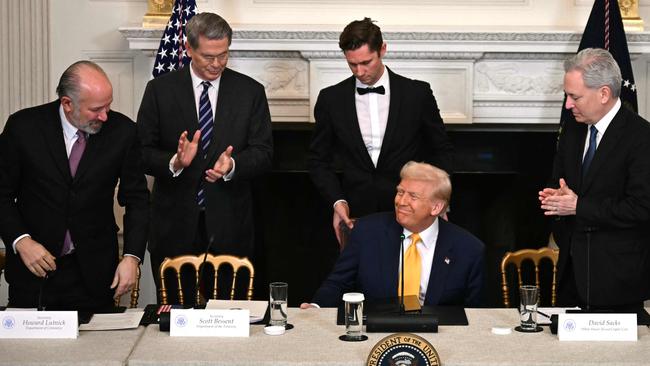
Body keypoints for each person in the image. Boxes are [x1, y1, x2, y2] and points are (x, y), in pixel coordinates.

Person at [137, 12, 273, 293]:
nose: (216, 64)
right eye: (208, 56)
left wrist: (233, 165)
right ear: (188, 49)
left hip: (230, 225)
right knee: (174, 320)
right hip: (174, 224)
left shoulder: (250, 92)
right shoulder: (159, 91)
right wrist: (175, 161)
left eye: (223, 55)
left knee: (226, 318)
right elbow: (141, 152)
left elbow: (264, 153)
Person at [0, 61, 149, 311]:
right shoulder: (23, 128)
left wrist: (132, 258)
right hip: (33, 270)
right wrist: (21, 241)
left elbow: (137, 200)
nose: (104, 116)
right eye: (96, 109)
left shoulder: (123, 132)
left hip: (94, 276)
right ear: (67, 103)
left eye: (108, 106)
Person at [308, 18, 453, 248]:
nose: (360, 71)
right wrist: (338, 201)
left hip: (412, 210)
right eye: (352, 64)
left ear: (382, 49)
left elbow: (441, 151)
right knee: (359, 283)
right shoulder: (330, 99)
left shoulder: (417, 94)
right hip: (356, 215)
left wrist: (439, 201)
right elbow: (318, 161)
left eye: (366, 62)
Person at [539, 48, 650, 310]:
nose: (567, 104)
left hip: (618, 280)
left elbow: (642, 208)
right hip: (571, 275)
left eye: (574, 96)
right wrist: (555, 198)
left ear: (603, 93)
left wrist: (578, 206)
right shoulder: (572, 131)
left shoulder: (641, 138)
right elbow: (559, 183)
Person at [302, 162, 484, 308]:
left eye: (412, 196)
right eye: (400, 192)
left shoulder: (468, 249)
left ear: (436, 207)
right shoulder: (367, 232)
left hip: (439, 341)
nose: (401, 202)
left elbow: (476, 314)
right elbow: (338, 283)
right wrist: (316, 308)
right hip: (375, 334)